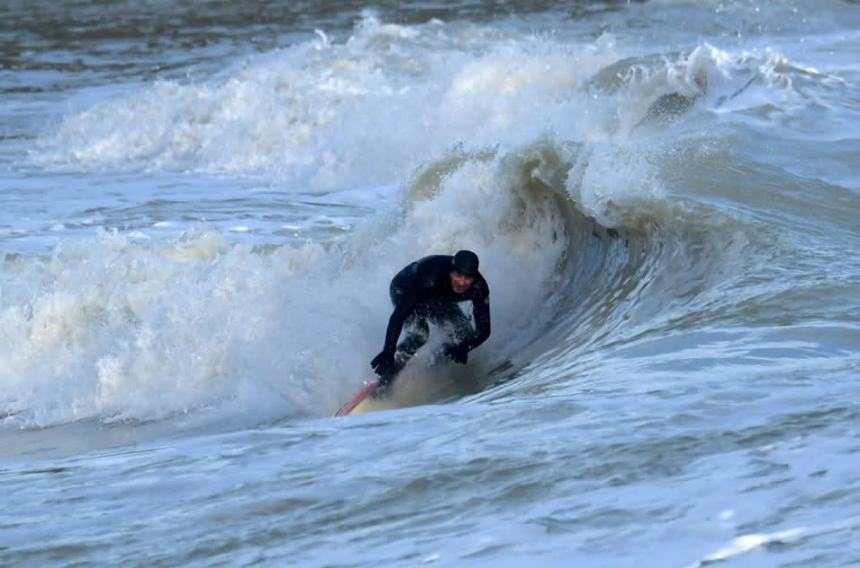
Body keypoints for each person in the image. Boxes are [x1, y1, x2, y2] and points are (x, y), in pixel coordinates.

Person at [370, 250, 491, 385]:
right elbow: (399, 316)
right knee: (419, 335)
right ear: (451, 272)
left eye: (467, 278)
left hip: (439, 298)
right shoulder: (429, 277)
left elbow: (484, 331)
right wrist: (388, 351)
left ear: (474, 278)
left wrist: (465, 347)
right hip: (404, 289)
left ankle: (432, 368)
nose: (462, 283)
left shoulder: (479, 288)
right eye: (457, 275)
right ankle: (388, 375)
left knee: (465, 335)